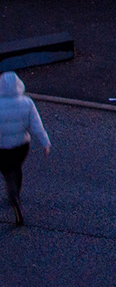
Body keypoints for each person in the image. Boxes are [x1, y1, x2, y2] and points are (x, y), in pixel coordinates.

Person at [0, 72, 50, 226]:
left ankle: (13, 195)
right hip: (21, 146)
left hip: (2, 147)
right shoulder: (27, 103)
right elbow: (36, 125)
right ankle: (17, 193)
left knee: (7, 172)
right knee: (17, 168)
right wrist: (45, 143)